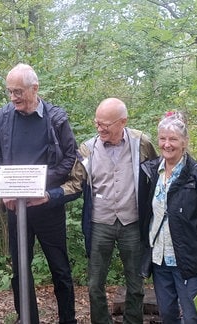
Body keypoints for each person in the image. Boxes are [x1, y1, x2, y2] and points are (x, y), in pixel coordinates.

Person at [41, 97, 157, 323]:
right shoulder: (87, 149)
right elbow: (75, 183)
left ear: (123, 121)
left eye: (105, 124)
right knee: (95, 284)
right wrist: (49, 195)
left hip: (132, 223)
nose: (99, 128)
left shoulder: (141, 142)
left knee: (136, 283)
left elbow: (158, 173)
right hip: (99, 224)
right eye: (97, 122)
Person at [0, 63, 78, 324]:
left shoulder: (56, 118)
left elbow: (70, 157)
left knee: (60, 269)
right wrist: (5, 188)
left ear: (34, 89)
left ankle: (68, 320)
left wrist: (39, 185)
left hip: (48, 207)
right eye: (9, 92)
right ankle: (27, 319)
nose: (13, 97)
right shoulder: (3, 117)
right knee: (20, 271)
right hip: (15, 207)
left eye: (18, 92)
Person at [138, 111, 197, 324]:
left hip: (188, 262)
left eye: (173, 139)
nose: (167, 144)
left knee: (192, 317)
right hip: (159, 260)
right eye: (162, 138)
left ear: (185, 142)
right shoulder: (151, 172)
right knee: (168, 315)